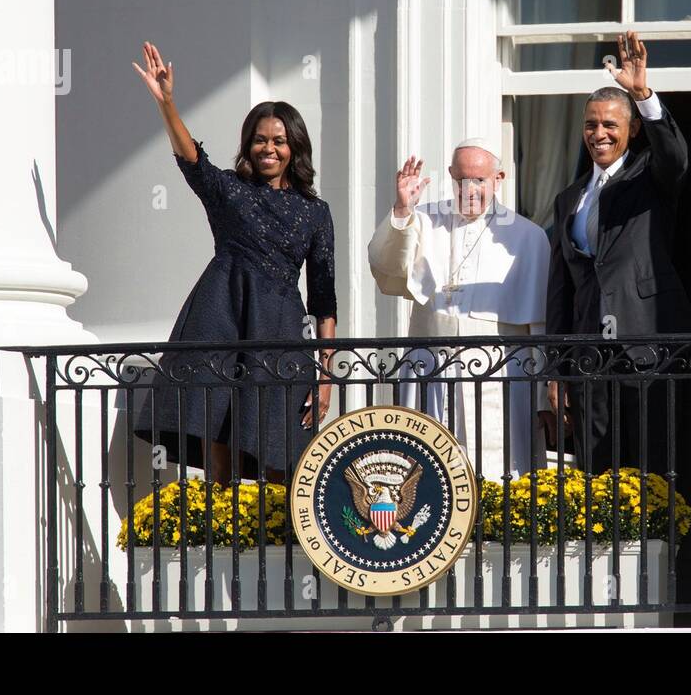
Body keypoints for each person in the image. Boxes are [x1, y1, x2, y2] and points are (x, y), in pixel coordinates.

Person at [129, 41, 337, 485]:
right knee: (216, 430)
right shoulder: (230, 191)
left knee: (284, 451)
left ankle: (281, 544)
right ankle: (218, 527)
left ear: (294, 147)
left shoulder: (315, 212)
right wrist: (167, 103)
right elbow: (193, 160)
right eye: (260, 140)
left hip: (280, 330)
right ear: (249, 145)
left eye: (279, 141)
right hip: (221, 317)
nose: (269, 148)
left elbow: (324, 299)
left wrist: (325, 377)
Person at [545, 31, 691, 475]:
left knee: (651, 460)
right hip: (589, 353)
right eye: (591, 124)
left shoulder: (649, 175)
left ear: (630, 130)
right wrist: (556, 371)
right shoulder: (569, 197)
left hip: (645, 344)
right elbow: (562, 291)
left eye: (610, 124)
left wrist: (643, 95)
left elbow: (676, 157)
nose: (599, 133)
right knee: (595, 466)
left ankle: (656, 546)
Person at [367, 138, 551, 479]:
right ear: (451, 175)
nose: (469, 189)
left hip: (499, 378)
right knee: (428, 476)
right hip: (431, 372)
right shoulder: (423, 221)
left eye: (479, 180)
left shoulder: (529, 237)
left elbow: (538, 328)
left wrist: (542, 398)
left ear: (499, 178)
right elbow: (385, 268)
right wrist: (402, 209)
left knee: (499, 472)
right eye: (461, 179)